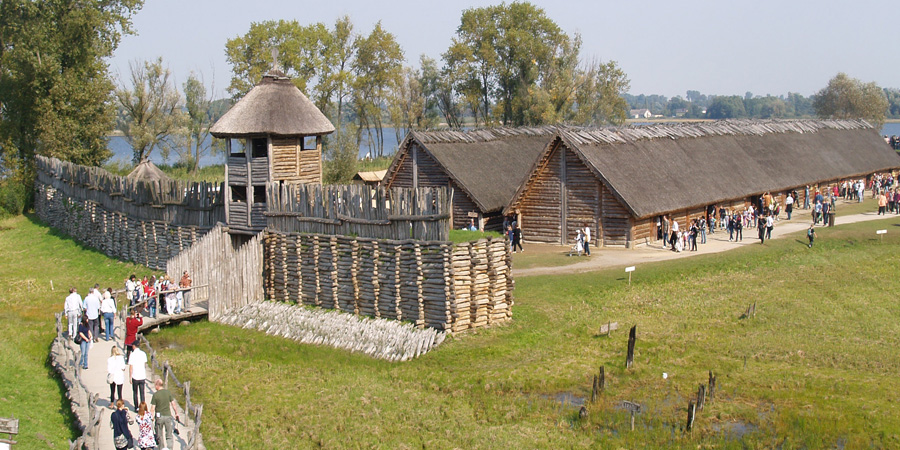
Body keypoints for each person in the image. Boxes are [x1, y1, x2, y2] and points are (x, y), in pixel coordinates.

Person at [151, 378, 180, 450]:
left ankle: (161, 448)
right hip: (167, 415)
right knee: (169, 434)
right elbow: (173, 404)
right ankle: (170, 448)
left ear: (157, 385)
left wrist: (151, 417)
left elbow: (152, 408)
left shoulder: (155, 395)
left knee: (159, 434)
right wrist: (176, 413)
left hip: (159, 417)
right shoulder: (168, 393)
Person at [129, 343, 148, 411]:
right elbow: (145, 364)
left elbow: (131, 366)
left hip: (135, 376)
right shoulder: (143, 353)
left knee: (135, 392)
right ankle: (143, 407)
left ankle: (136, 407)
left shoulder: (132, 354)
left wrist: (130, 377)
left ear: (134, 346)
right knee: (142, 393)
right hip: (142, 375)